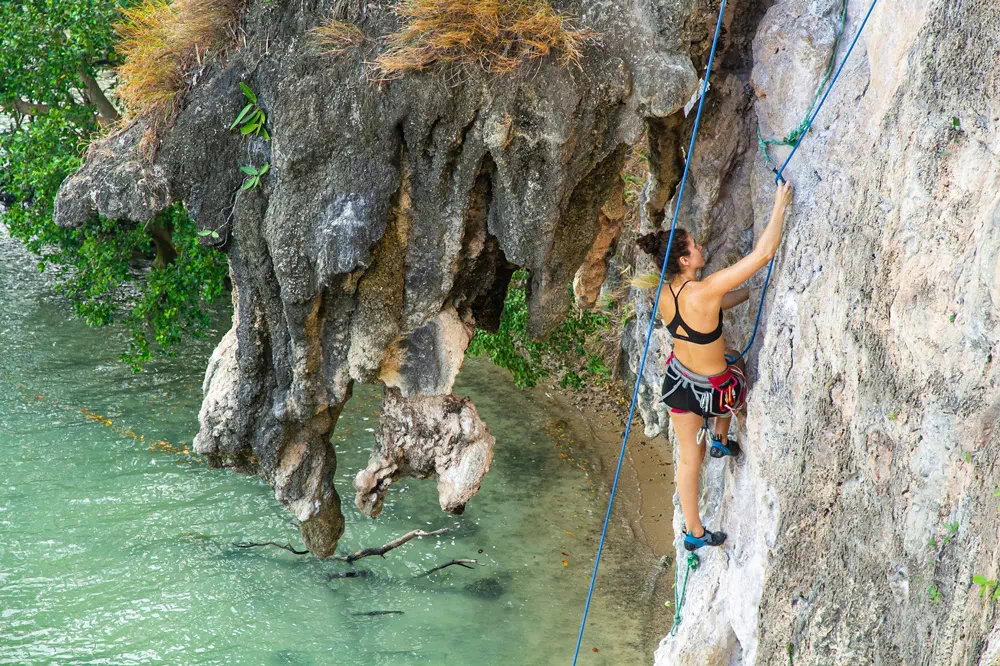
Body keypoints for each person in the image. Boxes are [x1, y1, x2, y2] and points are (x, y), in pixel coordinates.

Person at [636, 181, 793, 551]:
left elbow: (708, 313)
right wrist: (780, 205)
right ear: (686, 260)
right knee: (733, 364)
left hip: (678, 385)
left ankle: (694, 531)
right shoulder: (705, 291)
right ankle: (721, 437)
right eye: (695, 246)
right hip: (716, 394)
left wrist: (746, 294)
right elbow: (764, 253)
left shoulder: (664, 293)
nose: (701, 247)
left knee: (690, 460)